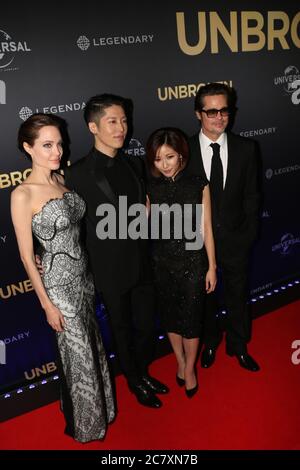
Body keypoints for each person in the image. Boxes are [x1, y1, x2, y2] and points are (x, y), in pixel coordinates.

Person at [10, 113, 116, 443]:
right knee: (79, 355)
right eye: (46, 145)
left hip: (83, 280)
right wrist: (46, 305)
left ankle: (105, 409)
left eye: (58, 144)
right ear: (28, 148)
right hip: (59, 289)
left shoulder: (61, 180)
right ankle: (87, 425)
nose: (56, 151)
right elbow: (27, 256)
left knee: (93, 347)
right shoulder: (22, 194)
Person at [64, 94, 169, 409]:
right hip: (108, 269)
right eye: (113, 121)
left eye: (124, 120)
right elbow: (71, 225)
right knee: (121, 330)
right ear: (93, 126)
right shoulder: (77, 174)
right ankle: (135, 380)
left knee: (148, 326)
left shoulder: (134, 162)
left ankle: (144, 370)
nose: (122, 127)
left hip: (141, 261)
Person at [187, 82, 260, 371]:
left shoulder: (247, 148)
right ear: (198, 114)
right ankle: (211, 341)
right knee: (205, 301)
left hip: (236, 240)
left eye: (224, 110)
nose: (219, 117)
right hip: (199, 244)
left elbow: (252, 195)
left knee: (238, 295)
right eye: (212, 111)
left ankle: (239, 345)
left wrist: (248, 233)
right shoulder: (184, 150)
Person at [146, 128, 217, 397]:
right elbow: (142, 227)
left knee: (191, 319)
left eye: (170, 157)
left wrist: (211, 266)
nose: (164, 165)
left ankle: (189, 371)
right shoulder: (150, 188)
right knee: (171, 318)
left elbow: (206, 228)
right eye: (158, 159)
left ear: (181, 157)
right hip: (162, 263)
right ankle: (180, 361)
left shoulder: (199, 183)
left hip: (193, 262)